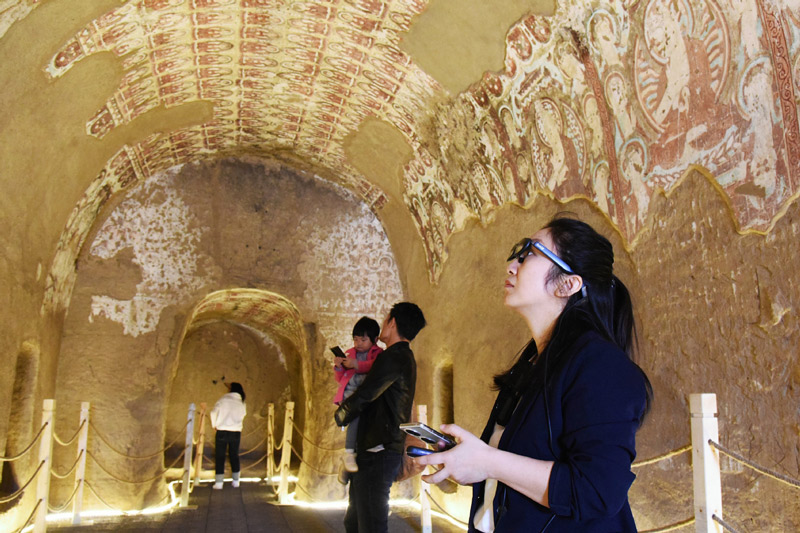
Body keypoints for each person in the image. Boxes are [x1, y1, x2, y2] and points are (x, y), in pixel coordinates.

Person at [416, 216, 652, 532]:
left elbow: (598, 491)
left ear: (567, 284)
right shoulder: (536, 365)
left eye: (529, 254)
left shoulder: (601, 366)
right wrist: (470, 460)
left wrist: (487, 461)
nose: (512, 264)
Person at [334, 302, 427, 533]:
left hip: (379, 450)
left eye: (386, 319)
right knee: (356, 521)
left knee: (371, 525)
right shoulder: (398, 356)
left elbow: (367, 394)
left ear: (392, 323)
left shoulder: (395, 356)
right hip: (375, 449)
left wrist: (342, 413)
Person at [333, 316, 383, 474]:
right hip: (351, 395)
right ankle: (349, 453)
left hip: (368, 396)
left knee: (373, 417)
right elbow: (341, 379)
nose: (358, 344)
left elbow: (375, 366)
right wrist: (339, 367)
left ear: (374, 340)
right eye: (355, 339)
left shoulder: (378, 353)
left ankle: (374, 443)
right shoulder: (349, 353)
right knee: (354, 420)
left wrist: (356, 365)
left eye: (363, 340)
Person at [210, 382, 246, 490]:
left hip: (222, 430)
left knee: (220, 456)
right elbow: (243, 415)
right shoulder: (241, 402)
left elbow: (213, 413)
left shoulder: (223, 399)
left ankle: (219, 483)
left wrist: (214, 425)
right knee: (234, 455)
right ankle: (236, 482)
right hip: (236, 432)